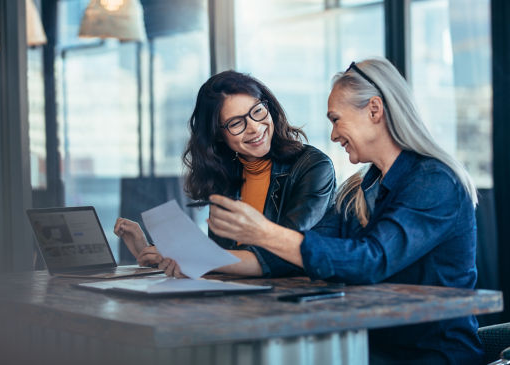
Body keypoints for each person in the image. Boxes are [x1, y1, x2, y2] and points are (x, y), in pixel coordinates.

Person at [205, 58, 483, 364]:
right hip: (370, 347)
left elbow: (371, 260)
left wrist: (263, 231)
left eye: (336, 119)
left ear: (374, 110)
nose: (334, 135)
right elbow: (298, 254)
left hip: (431, 356)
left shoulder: (434, 182)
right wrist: (195, 261)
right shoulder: (358, 190)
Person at [114, 70, 335, 278]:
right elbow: (221, 259)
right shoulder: (224, 175)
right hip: (238, 299)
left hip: (294, 301)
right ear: (218, 135)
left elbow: (286, 251)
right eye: (236, 123)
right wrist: (152, 253)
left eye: (258, 111)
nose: (255, 128)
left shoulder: (313, 166)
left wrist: (195, 258)